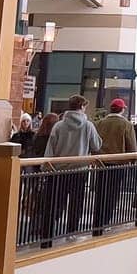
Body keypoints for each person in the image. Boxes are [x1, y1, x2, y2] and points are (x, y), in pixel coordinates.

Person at [45, 96, 103, 238]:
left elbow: (50, 148)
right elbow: (96, 145)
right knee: (76, 203)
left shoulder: (58, 125)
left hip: (59, 170)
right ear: (82, 106)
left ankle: (48, 234)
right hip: (79, 170)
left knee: (56, 203)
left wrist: (46, 168)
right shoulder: (88, 125)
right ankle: (71, 232)